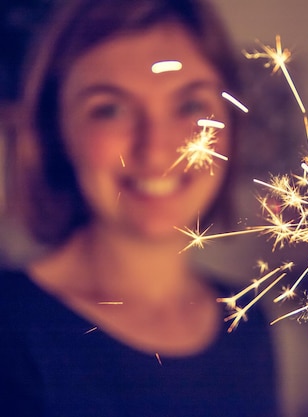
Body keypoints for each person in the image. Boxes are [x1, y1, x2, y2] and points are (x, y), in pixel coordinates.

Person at [0, 0, 279, 416]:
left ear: (231, 125)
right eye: (110, 109)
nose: (155, 147)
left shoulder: (247, 323)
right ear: (57, 133)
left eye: (189, 105)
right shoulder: (11, 334)